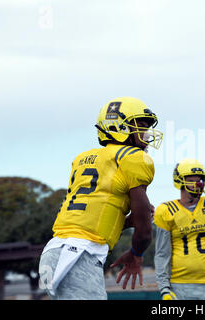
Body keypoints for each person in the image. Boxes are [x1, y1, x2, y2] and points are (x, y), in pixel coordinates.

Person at [38, 97, 163, 299]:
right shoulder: (133, 158)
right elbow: (145, 232)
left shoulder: (83, 159)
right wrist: (136, 254)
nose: (147, 134)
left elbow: (88, 220)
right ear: (119, 127)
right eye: (140, 126)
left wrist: (126, 222)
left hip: (53, 252)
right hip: (79, 255)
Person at [153, 158, 205, 300]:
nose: (198, 183)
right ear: (179, 180)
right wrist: (164, 289)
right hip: (179, 285)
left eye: (200, 179)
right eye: (192, 179)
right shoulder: (166, 211)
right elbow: (162, 254)